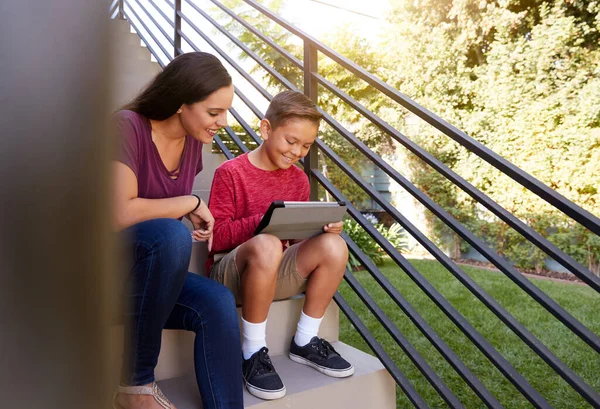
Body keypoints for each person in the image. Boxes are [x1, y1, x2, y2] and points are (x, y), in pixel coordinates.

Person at [112, 52, 243, 409]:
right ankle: (135, 388)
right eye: (214, 112)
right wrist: (190, 203)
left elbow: (158, 216)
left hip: (147, 285)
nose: (224, 122)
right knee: (171, 235)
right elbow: (119, 212)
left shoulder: (194, 144)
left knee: (217, 301)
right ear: (180, 103)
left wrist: (186, 209)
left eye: (226, 111)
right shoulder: (128, 126)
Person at [207, 90, 354, 401]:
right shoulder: (230, 173)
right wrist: (266, 223)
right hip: (229, 277)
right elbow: (216, 238)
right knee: (268, 243)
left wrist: (319, 228)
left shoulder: (298, 180)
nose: (297, 151)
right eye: (291, 141)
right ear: (265, 129)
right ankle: (252, 352)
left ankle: (305, 341)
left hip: (274, 272)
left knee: (334, 245)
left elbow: (296, 242)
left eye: (306, 145)